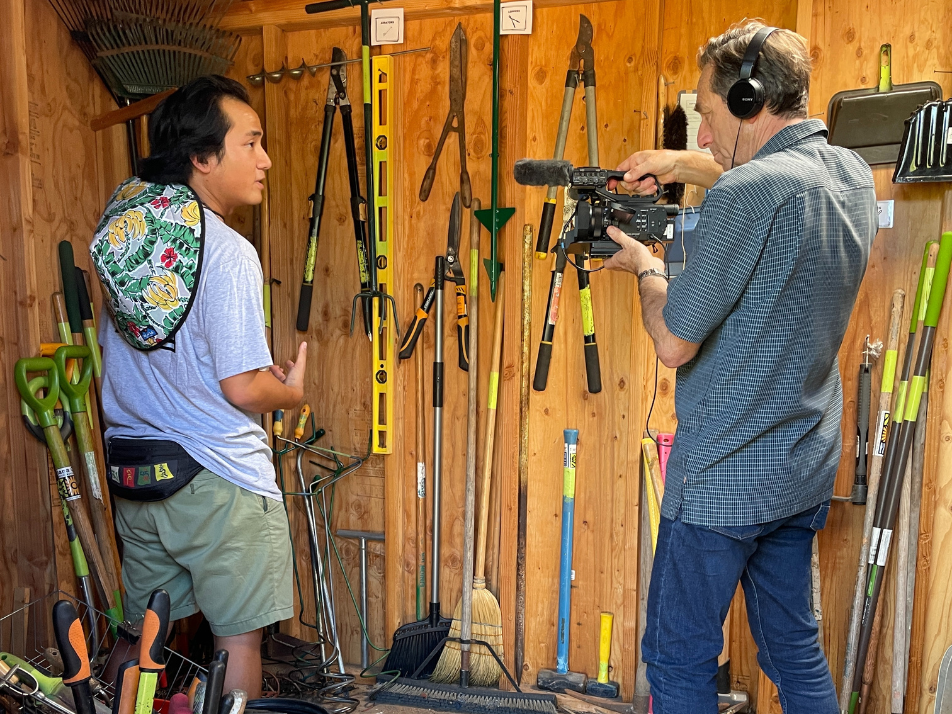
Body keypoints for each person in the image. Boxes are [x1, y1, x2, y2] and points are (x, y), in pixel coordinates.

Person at [603, 21, 877, 713]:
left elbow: (673, 343)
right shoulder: (845, 173)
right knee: (794, 651)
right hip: (800, 465)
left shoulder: (744, 194)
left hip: (722, 478)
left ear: (750, 101)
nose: (700, 132)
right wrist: (680, 166)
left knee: (677, 656)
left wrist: (646, 268)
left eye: (707, 110)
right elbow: (769, 179)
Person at [90, 76, 304, 698]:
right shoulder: (229, 252)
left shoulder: (129, 232)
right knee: (236, 639)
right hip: (217, 477)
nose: (265, 160)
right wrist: (290, 391)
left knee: (142, 636)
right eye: (252, 143)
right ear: (202, 158)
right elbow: (241, 388)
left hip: (136, 471)